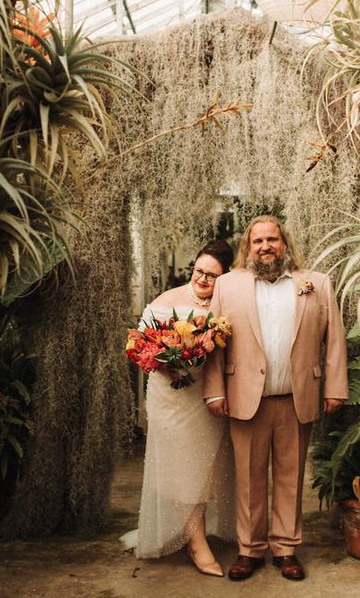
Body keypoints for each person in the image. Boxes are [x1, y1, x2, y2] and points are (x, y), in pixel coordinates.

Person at [203, 215, 348, 582]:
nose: (265, 246)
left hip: (296, 397)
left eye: (272, 239)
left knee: (290, 477)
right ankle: (249, 550)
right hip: (245, 398)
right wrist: (215, 391)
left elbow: (335, 341)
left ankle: (286, 549)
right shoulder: (227, 285)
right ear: (247, 247)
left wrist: (334, 388)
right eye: (258, 241)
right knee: (249, 480)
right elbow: (213, 346)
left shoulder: (315, 283)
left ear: (285, 243)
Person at [121, 239, 235, 576]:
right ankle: (196, 542)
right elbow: (139, 346)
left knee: (202, 468)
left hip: (205, 397)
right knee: (179, 467)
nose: (202, 279)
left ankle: (193, 532)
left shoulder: (225, 308)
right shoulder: (165, 301)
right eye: (199, 270)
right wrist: (167, 362)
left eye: (212, 276)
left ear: (224, 278)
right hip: (170, 398)